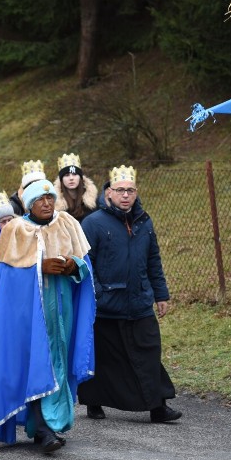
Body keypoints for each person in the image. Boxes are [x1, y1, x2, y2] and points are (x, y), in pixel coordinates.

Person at [0, 178, 95, 452]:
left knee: (58, 362)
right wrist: (39, 268)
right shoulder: (16, 229)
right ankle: (43, 428)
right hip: (28, 316)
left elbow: (85, 267)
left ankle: (47, 426)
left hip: (62, 310)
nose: (47, 203)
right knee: (35, 362)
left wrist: (73, 268)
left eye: (51, 198)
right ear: (29, 203)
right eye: (41, 199)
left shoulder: (67, 224)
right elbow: (6, 277)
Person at [78, 165, 181, 424]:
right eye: (120, 190)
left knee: (148, 352)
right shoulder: (93, 223)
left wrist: (161, 295)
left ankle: (158, 407)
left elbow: (153, 260)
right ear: (109, 193)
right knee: (105, 358)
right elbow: (85, 263)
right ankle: (94, 400)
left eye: (130, 190)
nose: (126, 195)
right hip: (106, 305)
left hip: (139, 302)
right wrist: (98, 294)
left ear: (136, 193)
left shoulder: (144, 221)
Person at [53, 153, 98, 222]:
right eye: (67, 175)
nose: (71, 178)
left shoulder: (93, 202)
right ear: (61, 180)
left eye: (74, 174)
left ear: (80, 178)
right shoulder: (55, 206)